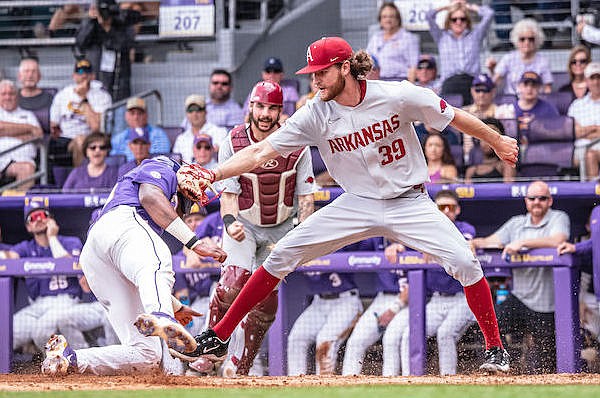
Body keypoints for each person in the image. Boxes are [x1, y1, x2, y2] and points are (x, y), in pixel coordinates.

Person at [162, 36, 518, 373]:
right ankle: (219, 335)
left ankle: (495, 350)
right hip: (357, 203)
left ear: (345, 67)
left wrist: (497, 139)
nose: (315, 80)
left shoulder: (397, 95)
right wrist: (214, 172)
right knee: (281, 255)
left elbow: (452, 115)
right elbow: (260, 151)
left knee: (464, 261)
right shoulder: (315, 114)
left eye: (321, 71)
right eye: (312, 73)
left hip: (409, 200)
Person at [41, 156, 227, 376]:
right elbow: (149, 196)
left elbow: (139, 269)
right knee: (160, 258)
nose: (198, 190)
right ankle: (161, 316)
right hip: (122, 223)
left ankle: (69, 359)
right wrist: (194, 242)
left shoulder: (152, 224)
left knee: (147, 355)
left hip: (100, 257)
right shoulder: (166, 165)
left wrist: (175, 306)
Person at [191, 80, 315, 377]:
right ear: (251, 107)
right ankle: (210, 350)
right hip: (244, 223)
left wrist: (301, 234)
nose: (265, 113)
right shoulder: (233, 141)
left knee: (266, 297)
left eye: (272, 108)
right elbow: (229, 195)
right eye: (260, 106)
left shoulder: (296, 141)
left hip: (282, 227)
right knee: (233, 280)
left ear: (279, 110)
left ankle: (241, 365)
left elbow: (306, 198)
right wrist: (231, 223)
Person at [472, 180, 570, 373]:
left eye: (542, 198)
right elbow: (492, 240)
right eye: (532, 198)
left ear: (550, 201)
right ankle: (504, 364)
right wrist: (474, 243)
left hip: (547, 305)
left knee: (546, 363)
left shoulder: (559, 217)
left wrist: (522, 243)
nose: (537, 202)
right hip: (520, 298)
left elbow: (558, 239)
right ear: (526, 201)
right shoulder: (517, 223)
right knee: (488, 327)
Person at [384, 190, 476, 376]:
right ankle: (411, 380)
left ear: (457, 210)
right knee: (410, 334)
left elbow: (465, 246)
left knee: (445, 333)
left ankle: (448, 379)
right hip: (436, 299)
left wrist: (432, 245)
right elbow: (402, 241)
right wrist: (398, 245)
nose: (446, 211)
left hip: (462, 298)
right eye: (442, 207)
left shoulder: (464, 228)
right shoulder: (423, 230)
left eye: (451, 207)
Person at [9, 205, 83, 353]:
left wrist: (52, 238)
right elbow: (8, 258)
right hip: (37, 306)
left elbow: (72, 264)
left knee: (41, 331)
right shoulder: (26, 248)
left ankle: (79, 362)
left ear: (52, 220)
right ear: (28, 227)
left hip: (65, 301)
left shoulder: (70, 242)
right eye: (33, 218)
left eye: (42, 215)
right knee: (8, 333)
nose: (38, 220)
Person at [341, 239, 408, 376]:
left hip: (409, 302)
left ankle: (390, 384)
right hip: (382, 298)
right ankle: (346, 385)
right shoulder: (377, 239)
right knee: (356, 341)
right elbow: (351, 247)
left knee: (390, 340)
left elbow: (417, 284)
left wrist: (394, 309)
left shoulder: (413, 238)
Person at [287, 271, 362, 376]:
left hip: (345, 301)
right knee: (296, 338)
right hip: (318, 302)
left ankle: (324, 384)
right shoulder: (299, 253)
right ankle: (295, 383)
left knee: (325, 339)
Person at [426, 0, 494, 105]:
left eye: (463, 19)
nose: (459, 22)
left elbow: (489, 14)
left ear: (467, 21)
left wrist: (468, 7)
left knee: (470, 117)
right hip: (450, 82)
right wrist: (448, 6)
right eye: (454, 19)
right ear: (449, 21)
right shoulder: (441, 37)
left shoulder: (475, 35)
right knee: (450, 117)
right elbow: (429, 16)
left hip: (471, 82)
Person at [49, 59, 112, 167]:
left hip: (93, 138)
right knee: (78, 140)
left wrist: (83, 98)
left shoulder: (102, 96)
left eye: (87, 73)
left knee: (81, 140)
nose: (84, 76)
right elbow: (54, 126)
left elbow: (96, 127)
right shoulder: (62, 95)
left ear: (93, 76)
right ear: (74, 76)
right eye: (80, 73)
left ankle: (82, 179)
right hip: (65, 139)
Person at [75, 0, 141, 102]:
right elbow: (80, 43)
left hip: (119, 82)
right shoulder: (91, 24)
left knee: (119, 108)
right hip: (95, 80)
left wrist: (109, 27)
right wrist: (90, 21)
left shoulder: (121, 24)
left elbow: (124, 44)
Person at [488, 19, 553, 95]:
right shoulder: (508, 58)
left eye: (531, 39)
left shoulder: (543, 61)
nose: (527, 42)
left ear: (537, 40)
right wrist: (491, 70)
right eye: (522, 39)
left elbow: (547, 88)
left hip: (535, 101)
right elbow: (494, 82)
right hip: (512, 100)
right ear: (516, 40)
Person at [0, 79, 43, 190]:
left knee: (27, 168)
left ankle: (18, 206)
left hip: (21, 160)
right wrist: (28, 128)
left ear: (17, 95)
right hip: (1, 158)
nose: (7, 97)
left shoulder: (28, 115)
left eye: (11, 93)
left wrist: (6, 132)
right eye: (3, 94)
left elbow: (38, 135)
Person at [461, 73, 514, 156]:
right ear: (472, 91)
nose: (481, 94)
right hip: (469, 159)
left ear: (493, 92)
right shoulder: (463, 112)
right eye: (478, 90)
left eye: (485, 90)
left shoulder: (503, 112)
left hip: (497, 157)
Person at [366, 2, 419, 82]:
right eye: (384, 17)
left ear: (398, 20)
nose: (388, 20)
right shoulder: (375, 38)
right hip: (379, 82)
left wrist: (410, 90)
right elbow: (367, 61)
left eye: (391, 16)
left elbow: (413, 66)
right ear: (380, 20)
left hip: (401, 82)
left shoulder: (408, 38)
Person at [110, 97, 170, 162]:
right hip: (125, 170)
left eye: (140, 113)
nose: (136, 117)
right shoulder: (118, 138)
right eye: (132, 113)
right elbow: (114, 161)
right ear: (126, 116)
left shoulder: (159, 134)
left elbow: (161, 158)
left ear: (146, 115)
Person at [172, 94, 227, 163]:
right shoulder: (181, 139)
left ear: (205, 112)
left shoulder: (220, 132)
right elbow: (175, 163)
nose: (194, 114)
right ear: (186, 114)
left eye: (198, 109)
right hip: (186, 172)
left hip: (214, 171)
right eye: (190, 110)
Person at [568, 62, 600, 179]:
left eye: (599, 78)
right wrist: (595, 129)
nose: (596, 82)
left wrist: (584, 131)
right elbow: (574, 132)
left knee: (591, 154)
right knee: (587, 154)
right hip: (579, 148)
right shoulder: (577, 105)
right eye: (592, 78)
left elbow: (580, 131)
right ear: (586, 81)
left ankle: (593, 194)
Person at [465, 118, 516, 183]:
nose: (487, 142)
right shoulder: (471, 171)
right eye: (483, 136)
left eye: (492, 137)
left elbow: (508, 189)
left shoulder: (505, 166)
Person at [16, 57, 55, 134]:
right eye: (26, 71)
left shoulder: (51, 98)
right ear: (19, 76)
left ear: (39, 76)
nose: (30, 75)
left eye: (34, 72)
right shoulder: (11, 98)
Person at [514, 71, 559, 136]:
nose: (529, 89)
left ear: (539, 88)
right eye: (526, 85)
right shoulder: (509, 110)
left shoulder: (549, 109)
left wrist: (538, 128)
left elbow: (558, 133)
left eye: (533, 85)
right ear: (519, 87)